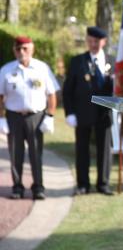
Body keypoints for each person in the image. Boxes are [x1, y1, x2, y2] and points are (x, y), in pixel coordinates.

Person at [0, 36, 59, 200]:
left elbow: (52, 94)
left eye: (25, 48)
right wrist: (2, 118)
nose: (21, 52)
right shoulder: (6, 70)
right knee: (15, 154)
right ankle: (17, 187)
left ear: (32, 49)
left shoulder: (42, 68)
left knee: (36, 154)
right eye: (18, 49)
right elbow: (0, 96)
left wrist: (50, 116)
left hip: (36, 116)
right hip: (14, 116)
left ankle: (38, 187)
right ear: (14, 50)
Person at [63, 27, 115, 195]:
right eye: (90, 41)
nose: (93, 44)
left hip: (104, 113)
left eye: (97, 41)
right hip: (83, 112)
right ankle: (83, 184)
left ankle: (103, 183)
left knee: (105, 150)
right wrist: (70, 113)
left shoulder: (112, 61)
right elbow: (68, 90)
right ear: (87, 41)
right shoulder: (78, 61)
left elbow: (120, 87)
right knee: (82, 150)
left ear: (104, 42)